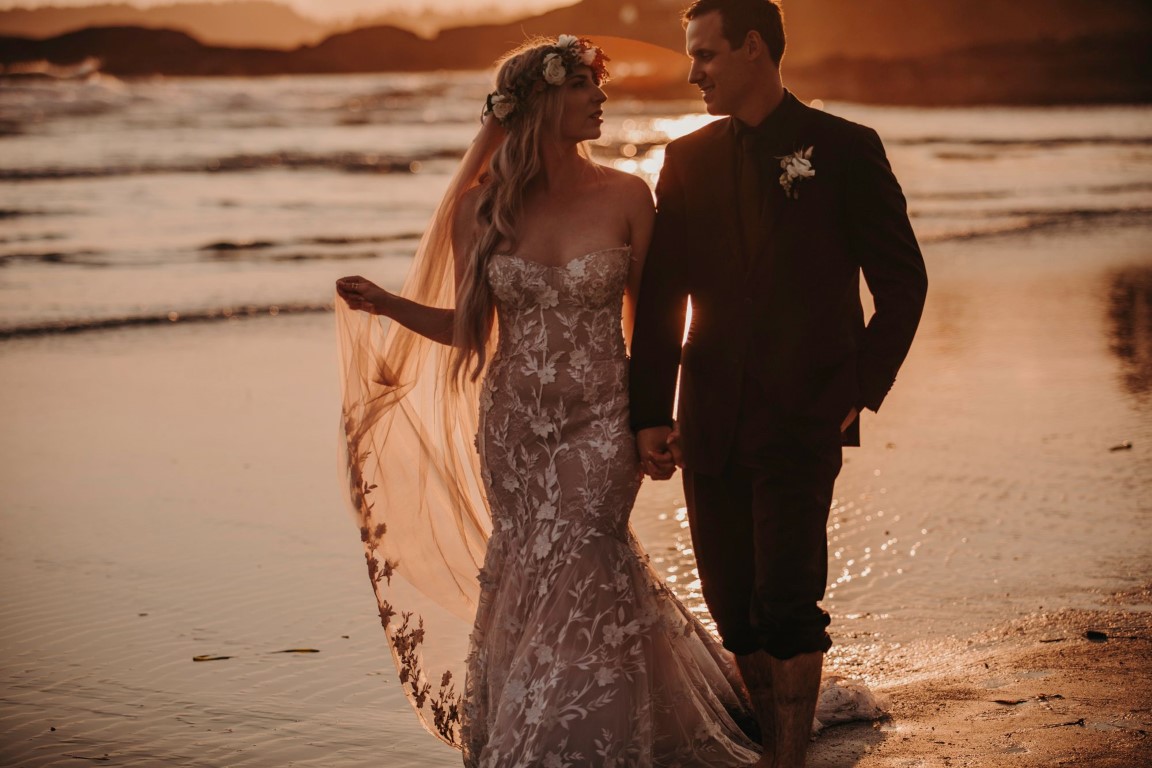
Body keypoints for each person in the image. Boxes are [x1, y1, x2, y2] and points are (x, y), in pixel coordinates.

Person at [335, 35, 762, 767]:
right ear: (540, 103)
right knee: (531, 566)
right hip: (514, 429)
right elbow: (470, 331)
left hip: (602, 418)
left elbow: (657, 321)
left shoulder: (629, 194)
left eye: (599, 88)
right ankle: (548, 726)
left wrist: (659, 418)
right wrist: (388, 305)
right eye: (584, 88)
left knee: (586, 554)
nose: (600, 99)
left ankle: (551, 742)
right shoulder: (482, 209)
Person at [630, 1, 928, 766]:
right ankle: (773, 748)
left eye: (705, 55)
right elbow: (665, 295)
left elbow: (902, 284)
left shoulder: (846, 149)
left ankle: (788, 760)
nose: (693, 72)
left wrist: (852, 392)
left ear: (753, 48)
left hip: (805, 414)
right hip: (710, 416)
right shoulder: (686, 158)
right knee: (733, 609)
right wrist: (649, 414)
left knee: (788, 602)